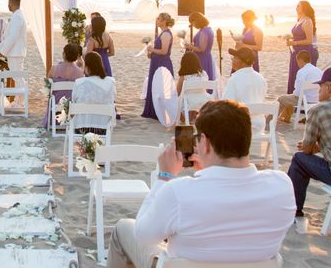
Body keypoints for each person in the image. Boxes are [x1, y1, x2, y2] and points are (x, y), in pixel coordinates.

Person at [107, 100, 295, 268]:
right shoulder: (282, 186)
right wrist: (208, 171)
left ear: (204, 142)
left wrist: (164, 177)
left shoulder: (178, 192)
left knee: (123, 229)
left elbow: (144, 235)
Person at [287, 67, 331, 234]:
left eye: (321, 87)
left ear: (329, 87)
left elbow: (306, 149)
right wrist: (318, 147)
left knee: (299, 159)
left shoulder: (318, 109)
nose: (319, 90)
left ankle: (294, 210)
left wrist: (311, 148)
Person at [222, 47, 267, 133]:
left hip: (241, 124)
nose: (232, 60)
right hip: (259, 124)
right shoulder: (261, 78)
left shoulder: (235, 78)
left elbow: (226, 103)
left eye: (234, 58)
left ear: (241, 61)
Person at [43, 43, 85, 129]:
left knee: (52, 96)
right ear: (76, 56)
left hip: (57, 103)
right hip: (72, 104)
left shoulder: (54, 69)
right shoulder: (80, 73)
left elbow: (47, 85)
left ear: (64, 54)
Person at [142, 13, 174, 120]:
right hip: (156, 62)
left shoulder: (166, 34)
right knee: (155, 85)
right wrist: (151, 53)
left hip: (162, 63)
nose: (157, 20)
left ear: (164, 21)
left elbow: (164, 51)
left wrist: (152, 49)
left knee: (161, 87)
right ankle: (154, 110)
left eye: (159, 19)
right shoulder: (162, 33)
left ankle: (160, 112)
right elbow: (158, 50)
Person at [72, 51, 118, 127]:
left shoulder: (79, 82)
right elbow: (113, 99)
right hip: (103, 127)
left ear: (87, 67)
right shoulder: (110, 82)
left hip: (82, 127)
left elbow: (74, 100)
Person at [0, 0, 28, 106]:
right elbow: (9, 36)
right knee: (17, 77)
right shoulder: (17, 15)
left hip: (16, 53)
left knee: (18, 77)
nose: (8, 5)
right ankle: (18, 101)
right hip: (15, 52)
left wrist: (2, 51)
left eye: (8, 2)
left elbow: (13, 37)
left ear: (12, 2)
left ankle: (21, 102)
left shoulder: (18, 17)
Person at [278, 50, 322, 123]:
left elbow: (298, 93)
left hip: (305, 100)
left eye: (297, 61)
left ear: (300, 60)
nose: (297, 63)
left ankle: (270, 120)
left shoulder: (302, 71)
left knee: (282, 99)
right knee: (289, 99)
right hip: (317, 100)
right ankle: (285, 119)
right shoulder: (318, 70)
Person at [287, 0, 318, 94]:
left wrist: (294, 43)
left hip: (304, 53)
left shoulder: (308, 21)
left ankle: (301, 101)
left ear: (304, 8)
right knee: (295, 75)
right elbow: (299, 35)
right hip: (296, 52)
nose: (296, 8)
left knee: (303, 75)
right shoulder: (299, 20)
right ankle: (294, 98)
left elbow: (309, 41)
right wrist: (289, 38)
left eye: (298, 6)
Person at [176, 51, 210, 123]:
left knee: (175, 100)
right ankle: (193, 116)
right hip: (205, 100)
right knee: (193, 97)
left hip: (189, 102)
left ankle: (186, 120)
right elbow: (205, 89)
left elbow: (178, 93)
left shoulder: (184, 77)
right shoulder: (204, 74)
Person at [184, 12, 215, 81]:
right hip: (206, 57)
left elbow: (201, 49)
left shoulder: (204, 31)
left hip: (202, 58)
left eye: (192, 22)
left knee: (202, 78)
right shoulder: (207, 29)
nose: (192, 25)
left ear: (197, 21)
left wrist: (190, 46)